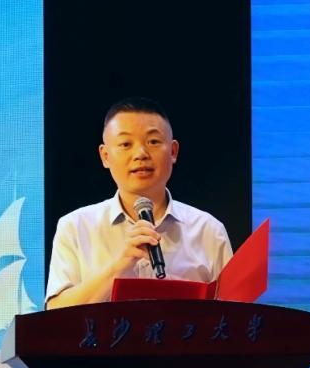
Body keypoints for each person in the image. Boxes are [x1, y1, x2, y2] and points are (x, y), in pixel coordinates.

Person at [45, 97, 233, 309]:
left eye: (153, 142)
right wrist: (120, 265)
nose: (140, 154)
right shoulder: (75, 227)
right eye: (125, 144)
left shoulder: (209, 230)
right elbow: (54, 313)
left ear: (173, 152)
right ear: (105, 156)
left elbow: (237, 317)